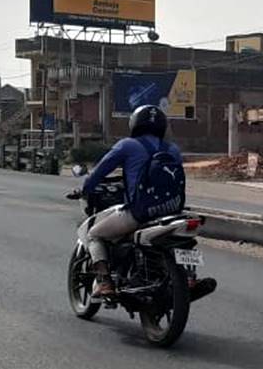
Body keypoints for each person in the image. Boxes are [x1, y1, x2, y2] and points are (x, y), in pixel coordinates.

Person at [77, 104, 184, 296]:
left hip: (141, 212)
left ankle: (104, 282)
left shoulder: (127, 145)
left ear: (134, 123)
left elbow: (99, 172)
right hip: (172, 210)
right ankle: (187, 278)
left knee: (94, 234)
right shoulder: (173, 150)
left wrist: (85, 189)